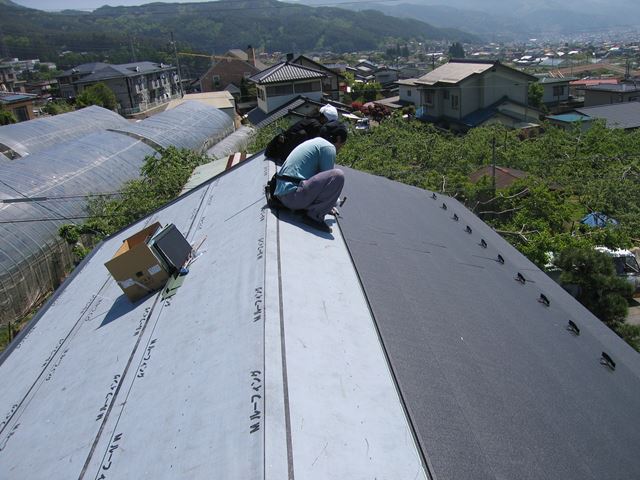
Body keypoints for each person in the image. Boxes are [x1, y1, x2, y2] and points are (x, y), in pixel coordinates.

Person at [274, 121, 347, 233]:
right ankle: (314, 216)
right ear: (338, 138)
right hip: (292, 198)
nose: (340, 149)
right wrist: (332, 202)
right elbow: (329, 182)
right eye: (342, 145)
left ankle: (311, 209)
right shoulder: (328, 147)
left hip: (281, 193)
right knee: (338, 175)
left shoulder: (314, 142)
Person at [265, 104, 339, 164]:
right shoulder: (316, 126)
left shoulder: (311, 120)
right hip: (282, 155)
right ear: (325, 119)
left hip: (278, 152)